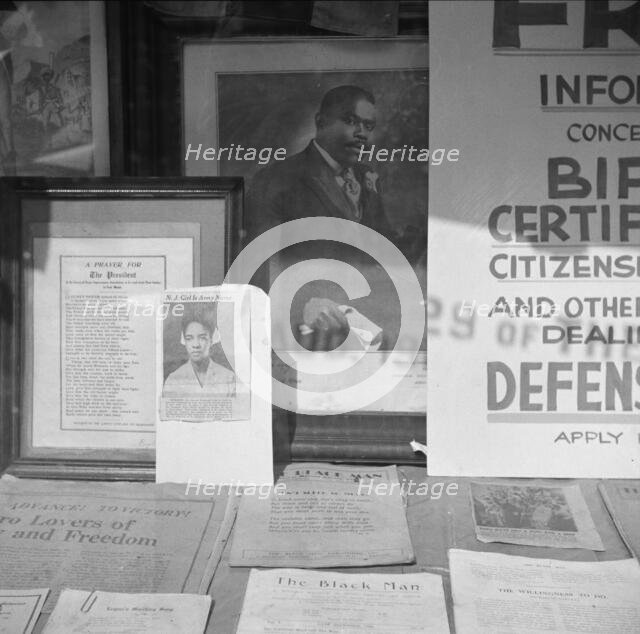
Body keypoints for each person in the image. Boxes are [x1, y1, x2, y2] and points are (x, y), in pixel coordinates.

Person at [245, 85, 402, 350]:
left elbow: (384, 255)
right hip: (307, 336)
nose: (361, 133)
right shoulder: (277, 179)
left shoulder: (366, 177)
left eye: (368, 125)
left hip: (367, 332)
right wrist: (303, 306)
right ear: (321, 122)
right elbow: (261, 268)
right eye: (350, 121)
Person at [163, 313, 236, 395]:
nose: (196, 345)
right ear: (184, 341)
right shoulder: (173, 380)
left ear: (211, 340)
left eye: (202, 338)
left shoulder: (229, 378)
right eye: (189, 338)